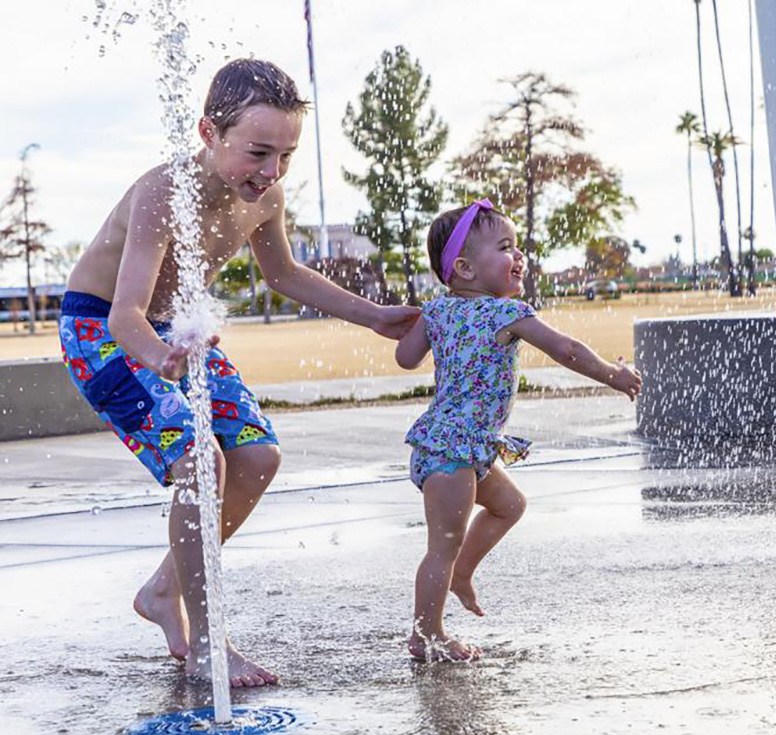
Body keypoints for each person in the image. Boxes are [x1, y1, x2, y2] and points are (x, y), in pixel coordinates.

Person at [58, 59, 420, 686]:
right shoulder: (161, 195)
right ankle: (206, 644)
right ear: (209, 133)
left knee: (257, 458)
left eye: (285, 155)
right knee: (200, 460)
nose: (271, 172)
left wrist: (375, 317)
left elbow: (284, 275)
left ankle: (164, 592)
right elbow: (125, 316)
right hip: (105, 331)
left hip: (176, 328)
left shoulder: (266, 198)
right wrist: (160, 359)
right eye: (257, 152)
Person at [395, 200, 642, 661]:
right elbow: (565, 349)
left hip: (455, 446)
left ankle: (463, 573)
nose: (520, 255)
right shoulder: (503, 314)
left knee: (509, 505)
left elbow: (405, 359)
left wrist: (421, 321)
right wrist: (613, 374)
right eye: (506, 247)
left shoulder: (438, 312)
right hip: (454, 451)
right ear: (465, 268)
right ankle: (425, 634)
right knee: (440, 546)